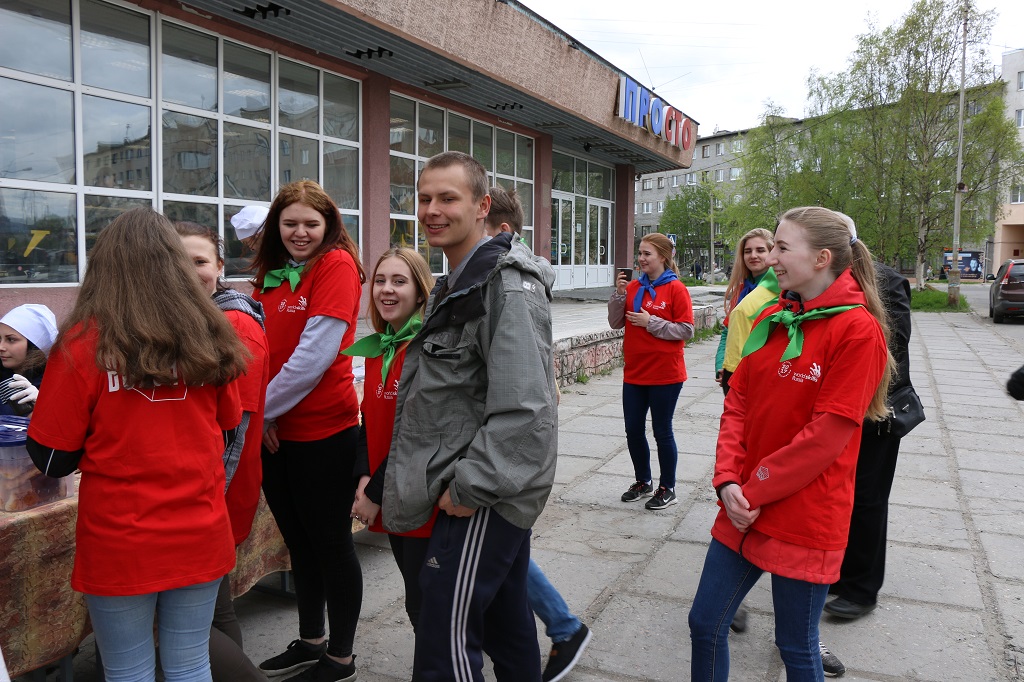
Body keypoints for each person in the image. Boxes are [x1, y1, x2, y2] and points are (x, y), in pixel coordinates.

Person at [26, 207, 248, 682]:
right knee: (191, 664)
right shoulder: (211, 333)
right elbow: (229, 430)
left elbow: (53, 459)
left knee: (128, 670)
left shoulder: (82, 343)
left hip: (120, 537)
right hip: (200, 527)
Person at [688, 206, 892, 681]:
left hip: (803, 513)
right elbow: (738, 403)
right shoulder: (774, 316)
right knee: (705, 623)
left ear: (822, 258)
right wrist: (727, 481)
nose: (771, 258)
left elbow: (826, 437)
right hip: (743, 503)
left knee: (796, 646)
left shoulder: (858, 330)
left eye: (782, 247)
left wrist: (751, 490)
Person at [381, 151, 557, 682]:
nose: (432, 210)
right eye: (424, 198)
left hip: (481, 494)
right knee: (507, 628)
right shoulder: (461, 278)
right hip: (473, 484)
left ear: (482, 207)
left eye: (447, 198)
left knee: (446, 642)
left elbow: (526, 408)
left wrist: (470, 487)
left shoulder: (505, 284)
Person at [252, 181, 365, 682]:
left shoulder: (335, 265)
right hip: (276, 432)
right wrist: (267, 417)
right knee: (297, 542)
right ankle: (311, 640)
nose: (300, 233)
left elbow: (313, 358)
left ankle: (340, 657)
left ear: (330, 226)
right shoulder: (271, 273)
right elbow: (258, 350)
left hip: (322, 432)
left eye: (311, 224)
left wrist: (260, 413)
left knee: (331, 544)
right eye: (290, 223)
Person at [483, 185, 593, 682]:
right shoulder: (515, 275)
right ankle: (561, 627)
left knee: (506, 546)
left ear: (501, 230)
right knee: (511, 549)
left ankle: (563, 626)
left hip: (509, 440)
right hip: (516, 434)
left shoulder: (513, 279)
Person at [176, 221, 271, 682]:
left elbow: (233, 430)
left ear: (219, 266)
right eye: (178, 261)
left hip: (215, 495)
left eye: (199, 261)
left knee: (197, 619)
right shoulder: (196, 318)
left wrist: (208, 502)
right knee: (212, 610)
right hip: (202, 496)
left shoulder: (234, 324)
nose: (189, 271)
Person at [345, 247, 437, 631]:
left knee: (426, 606)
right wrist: (364, 476)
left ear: (420, 291)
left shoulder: (426, 350)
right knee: (419, 601)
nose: (386, 289)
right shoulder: (377, 349)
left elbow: (417, 435)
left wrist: (374, 492)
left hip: (420, 497)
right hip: (390, 492)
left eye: (399, 281)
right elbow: (370, 421)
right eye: (380, 280)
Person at [824, 262, 912, 620]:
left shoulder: (886, 280)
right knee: (837, 495)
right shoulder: (821, 277)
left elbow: (895, 348)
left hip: (874, 409)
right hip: (835, 405)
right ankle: (838, 572)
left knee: (867, 499)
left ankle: (862, 590)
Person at [609, 233, 694, 511]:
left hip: (665, 374)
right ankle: (642, 481)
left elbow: (686, 330)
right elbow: (615, 323)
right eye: (640, 253)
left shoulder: (676, 289)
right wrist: (619, 295)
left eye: (647, 254)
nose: (641, 259)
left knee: (662, 431)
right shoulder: (633, 287)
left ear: (663, 257)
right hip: (635, 373)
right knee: (633, 430)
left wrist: (651, 322)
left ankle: (668, 487)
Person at [715, 228, 774, 395]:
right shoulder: (741, 290)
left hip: (760, 376)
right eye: (747, 251)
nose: (753, 255)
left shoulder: (780, 290)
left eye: (760, 250)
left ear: (772, 252)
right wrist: (721, 365)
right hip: (732, 373)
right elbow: (727, 332)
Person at [0, 304, 58, 416]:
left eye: (11, 339)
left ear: (34, 345)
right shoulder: (3, 378)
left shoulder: (54, 386)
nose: (1, 347)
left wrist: (43, 407)